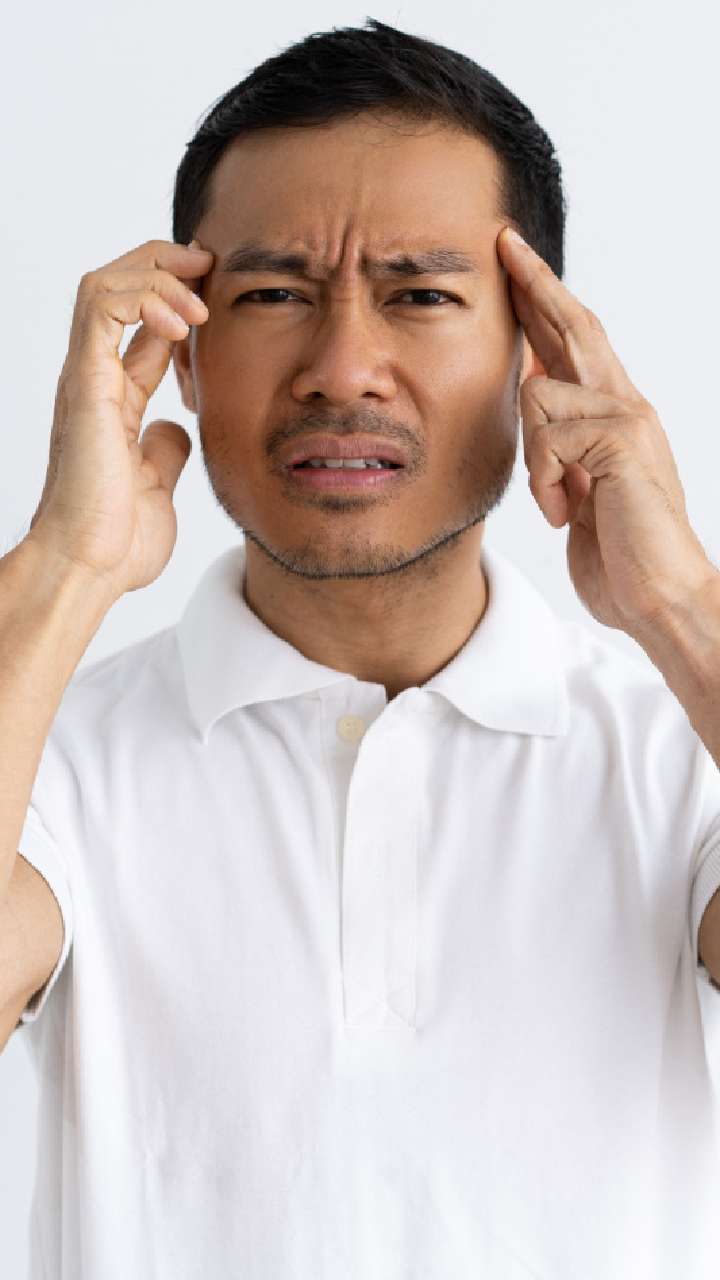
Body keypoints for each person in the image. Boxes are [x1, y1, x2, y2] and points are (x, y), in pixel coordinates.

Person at [1, 16, 719, 1280]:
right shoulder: (47, 746)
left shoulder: (682, 751)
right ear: (184, 353)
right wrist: (62, 570)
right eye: (273, 294)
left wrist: (682, 606)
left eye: (421, 295)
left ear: (537, 356)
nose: (343, 369)